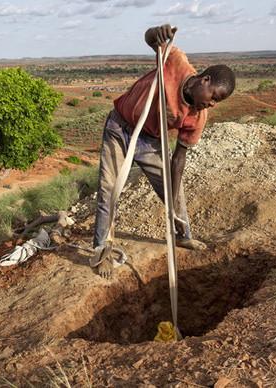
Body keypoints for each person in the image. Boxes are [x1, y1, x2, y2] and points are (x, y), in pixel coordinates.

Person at [93, 24, 236, 278]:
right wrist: (156, 33)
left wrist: (171, 190)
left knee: (174, 191)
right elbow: (149, 39)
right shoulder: (176, 61)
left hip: (149, 141)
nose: (212, 104)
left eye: (217, 102)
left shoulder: (197, 116)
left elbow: (179, 158)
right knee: (108, 189)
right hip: (119, 127)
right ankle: (101, 250)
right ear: (204, 80)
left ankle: (184, 236)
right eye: (213, 96)